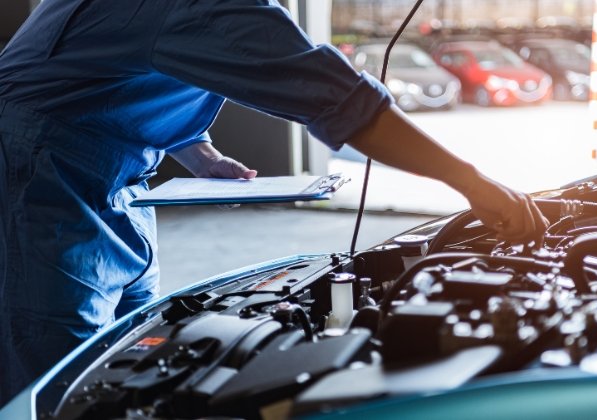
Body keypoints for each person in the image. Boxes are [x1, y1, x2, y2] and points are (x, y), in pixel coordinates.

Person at [0, 0, 547, 405]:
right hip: (39, 174)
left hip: (105, 170)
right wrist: (474, 183)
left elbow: (112, 70)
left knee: (131, 352)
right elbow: (344, 102)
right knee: (58, 375)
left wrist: (200, 154)